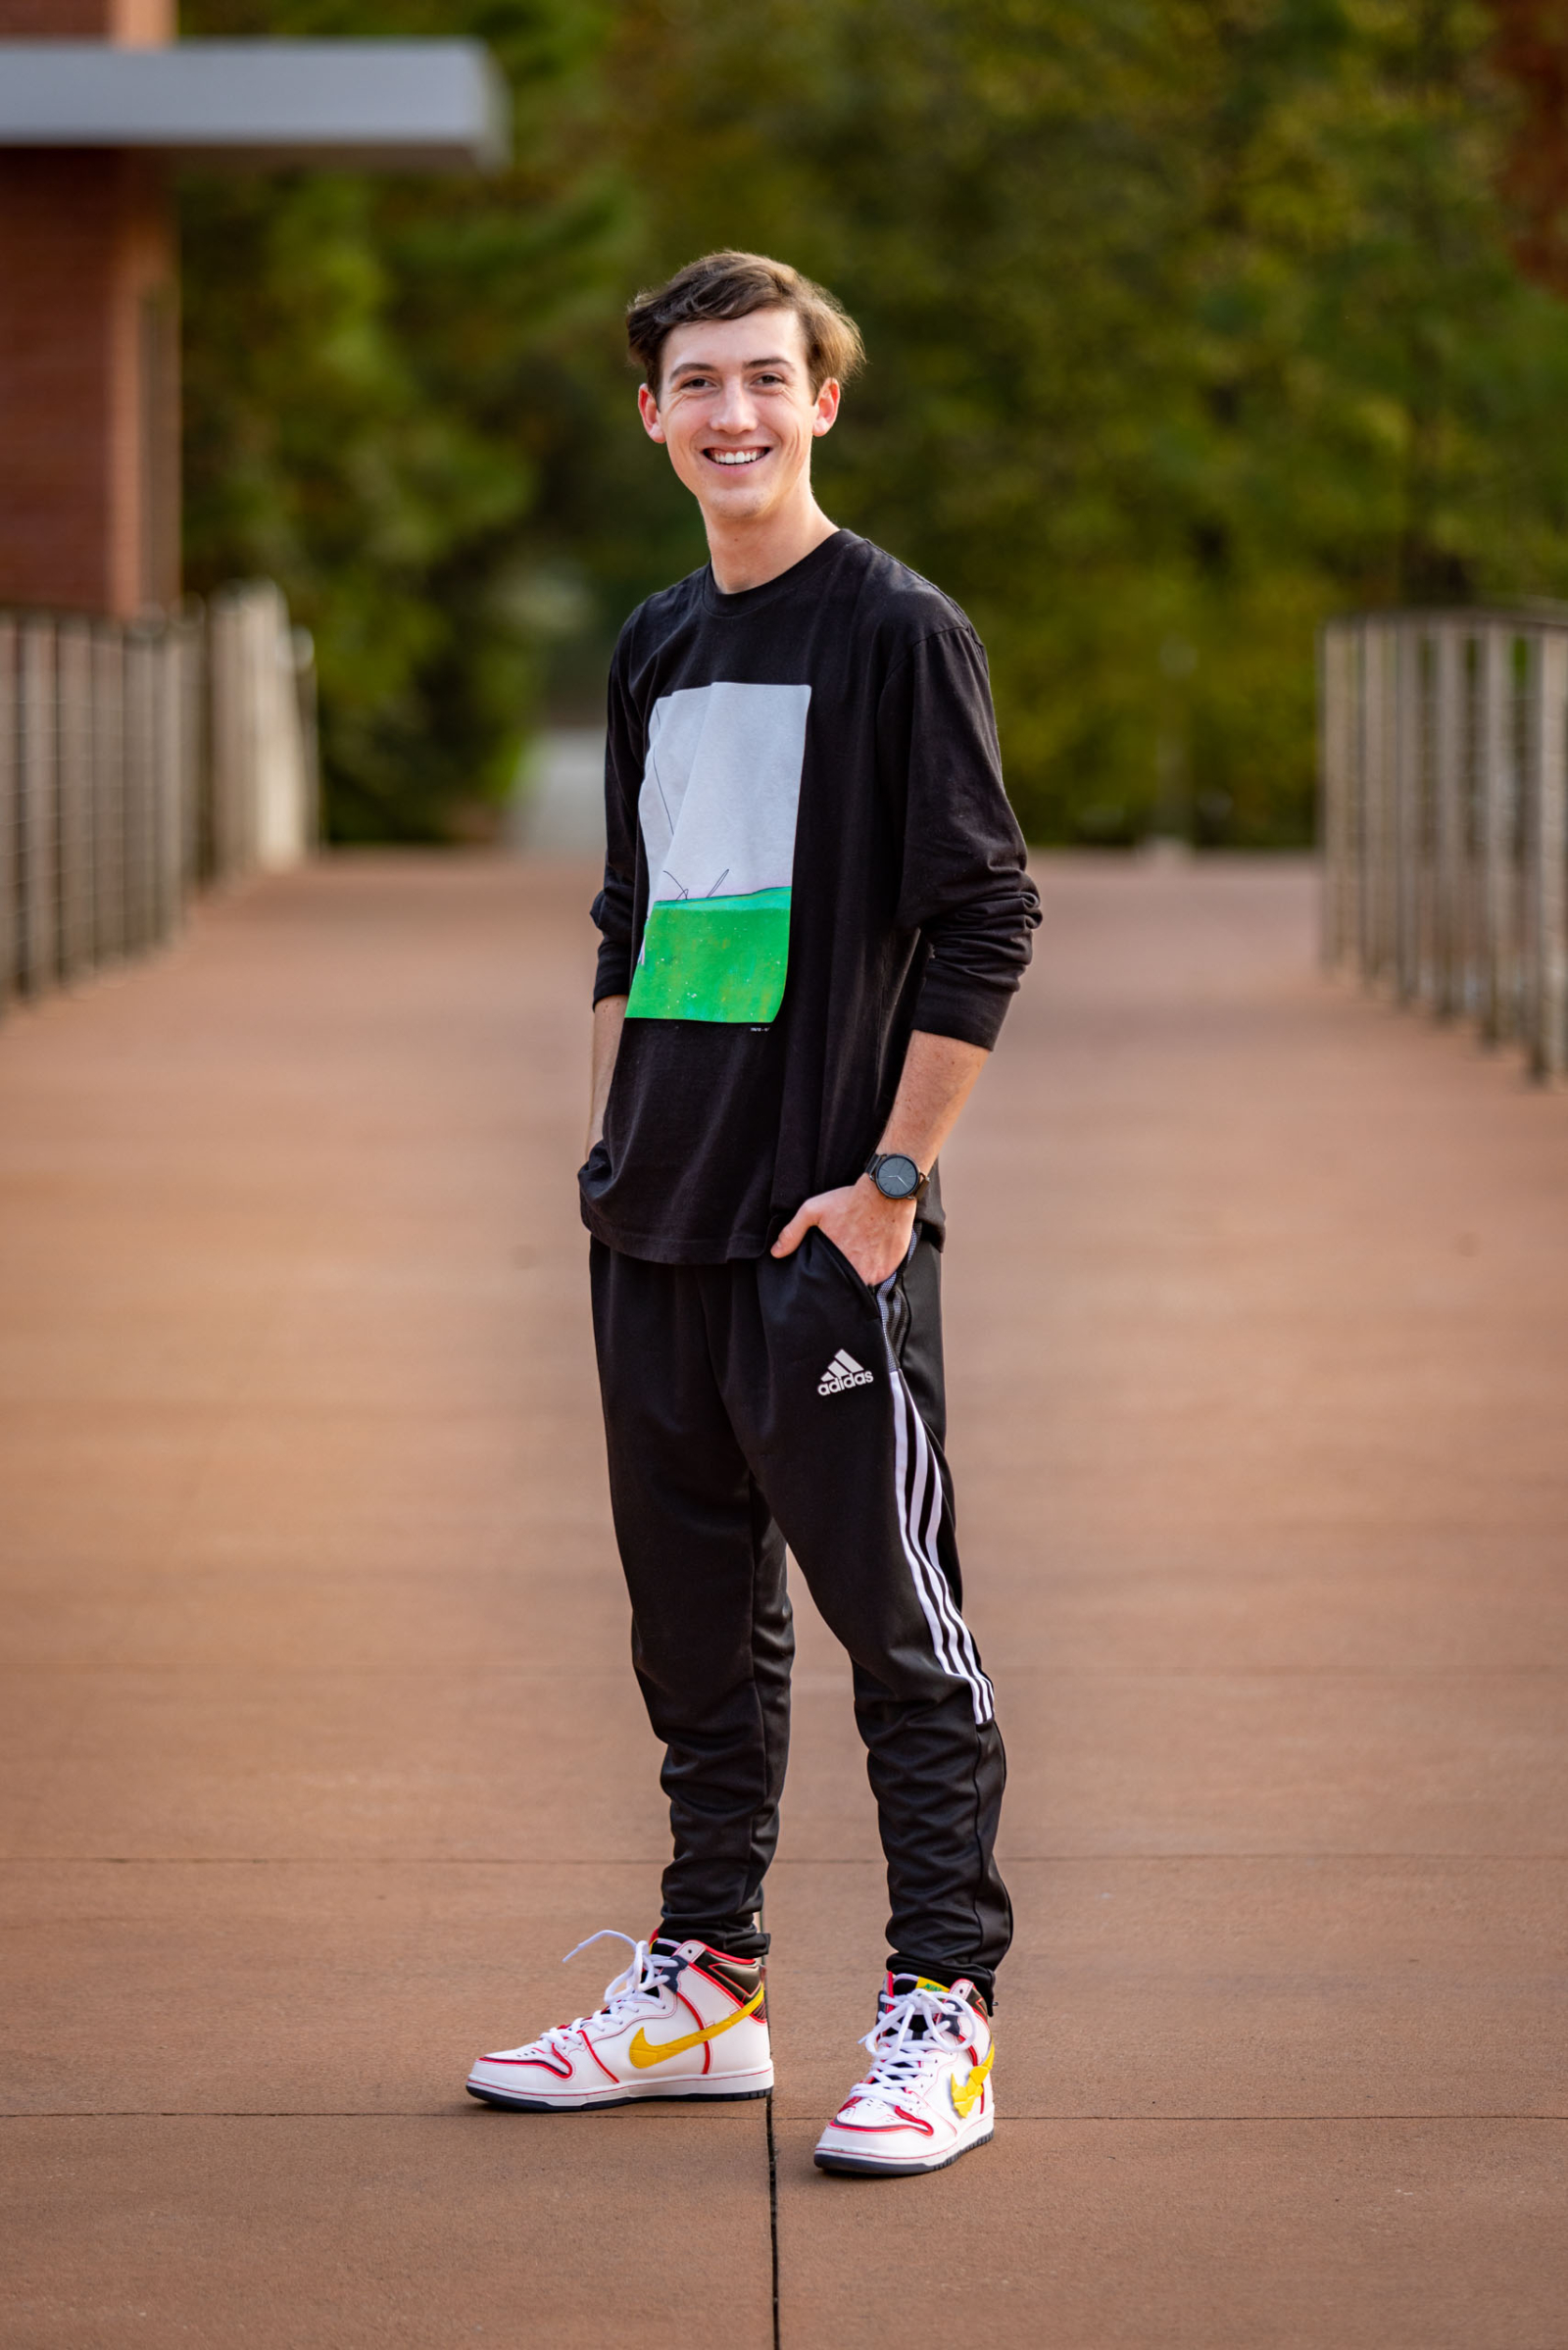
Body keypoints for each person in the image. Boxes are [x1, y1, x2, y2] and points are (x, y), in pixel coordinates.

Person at [467, 250, 1039, 2178]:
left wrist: (885, 1186)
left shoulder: (892, 632)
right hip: (658, 1224)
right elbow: (633, 920)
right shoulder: (655, 641)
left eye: (765, 379)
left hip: (821, 1239)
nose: (730, 412)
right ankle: (707, 1984)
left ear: (821, 403)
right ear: (650, 416)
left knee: (896, 1629)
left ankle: (940, 2010)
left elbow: (983, 916)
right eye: (694, 383)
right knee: (692, 1641)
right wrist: (618, 1145)